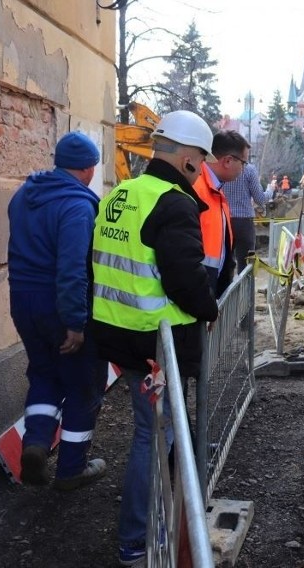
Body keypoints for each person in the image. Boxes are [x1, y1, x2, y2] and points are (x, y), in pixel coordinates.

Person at [91, 110, 219, 567]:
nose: (202, 168)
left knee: (154, 434)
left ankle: (150, 525)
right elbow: (184, 278)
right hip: (155, 346)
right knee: (154, 437)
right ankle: (135, 541)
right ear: (187, 159)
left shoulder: (121, 193)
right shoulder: (172, 202)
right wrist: (210, 308)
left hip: (119, 336)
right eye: (201, 159)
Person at [7, 131, 106, 490]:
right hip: (58, 304)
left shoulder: (24, 196)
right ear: (88, 168)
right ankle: (71, 469)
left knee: (45, 374)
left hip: (22, 300)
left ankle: (35, 444)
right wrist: (76, 323)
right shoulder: (77, 206)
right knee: (81, 385)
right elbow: (71, 270)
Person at [193, 130, 250, 296]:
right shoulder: (197, 188)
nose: (243, 169)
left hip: (208, 289)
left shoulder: (214, 189)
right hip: (198, 292)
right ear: (228, 161)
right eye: (243, 163)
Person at [222, 161, 272, 274]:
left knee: (224, 263)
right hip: (244, 222)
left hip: (224, 219)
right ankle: (245, 291)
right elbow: (260, 199)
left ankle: (225, 291)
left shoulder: (221, 166)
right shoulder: (249, 169)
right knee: (246, 265)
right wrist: (270, 190)